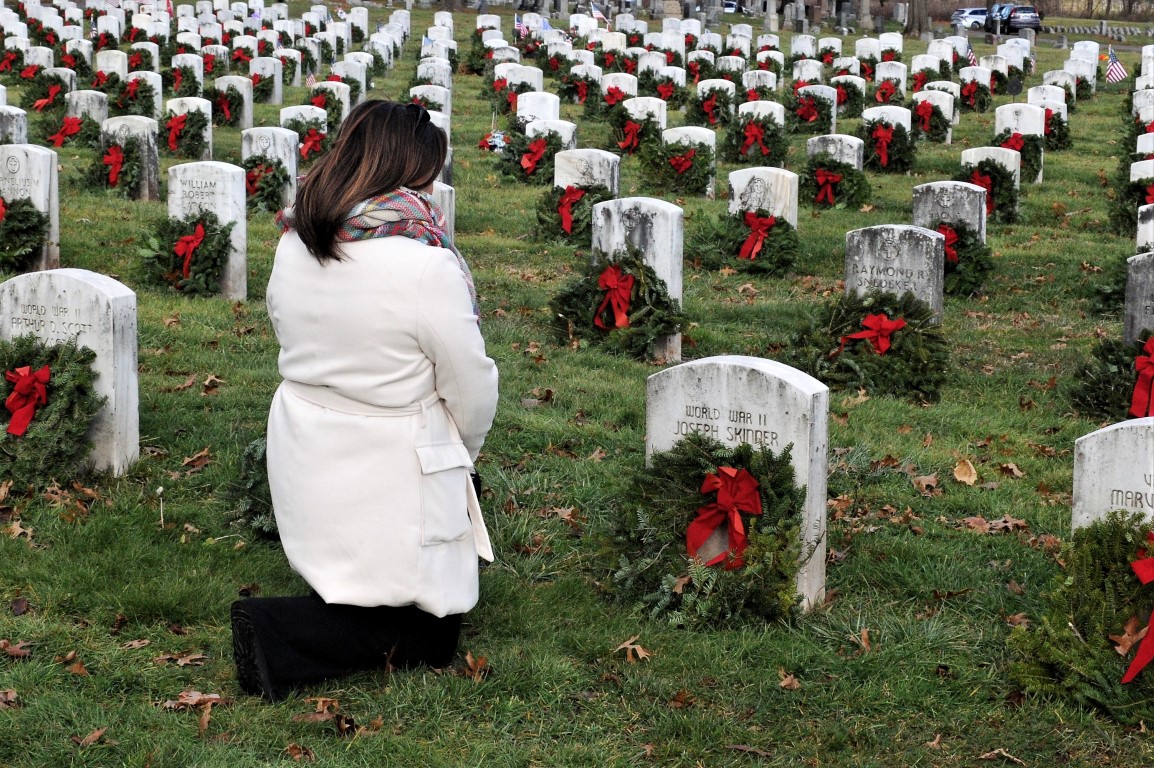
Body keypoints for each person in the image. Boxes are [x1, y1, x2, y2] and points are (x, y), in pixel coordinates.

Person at [231, 100, 499, 702]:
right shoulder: (424, 266)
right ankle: (276, 631)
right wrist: (461, 458)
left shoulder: (296, 240)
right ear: (413, 171)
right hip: (393, 467)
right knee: (436, 634)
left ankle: (339, 595)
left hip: (306, 447)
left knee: (381, 591)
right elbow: (472, 390)